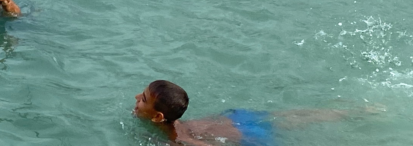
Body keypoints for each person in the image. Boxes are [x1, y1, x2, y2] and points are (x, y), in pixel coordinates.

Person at [133, 80, 375, 146]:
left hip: (249, 134)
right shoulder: (173, 129)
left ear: (158, 117)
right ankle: (355, 111)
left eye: (143, 99)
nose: (136, 99)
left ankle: (355, 113)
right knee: (291, 116)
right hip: (235, 118)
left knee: (290, 121)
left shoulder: (178, 139)